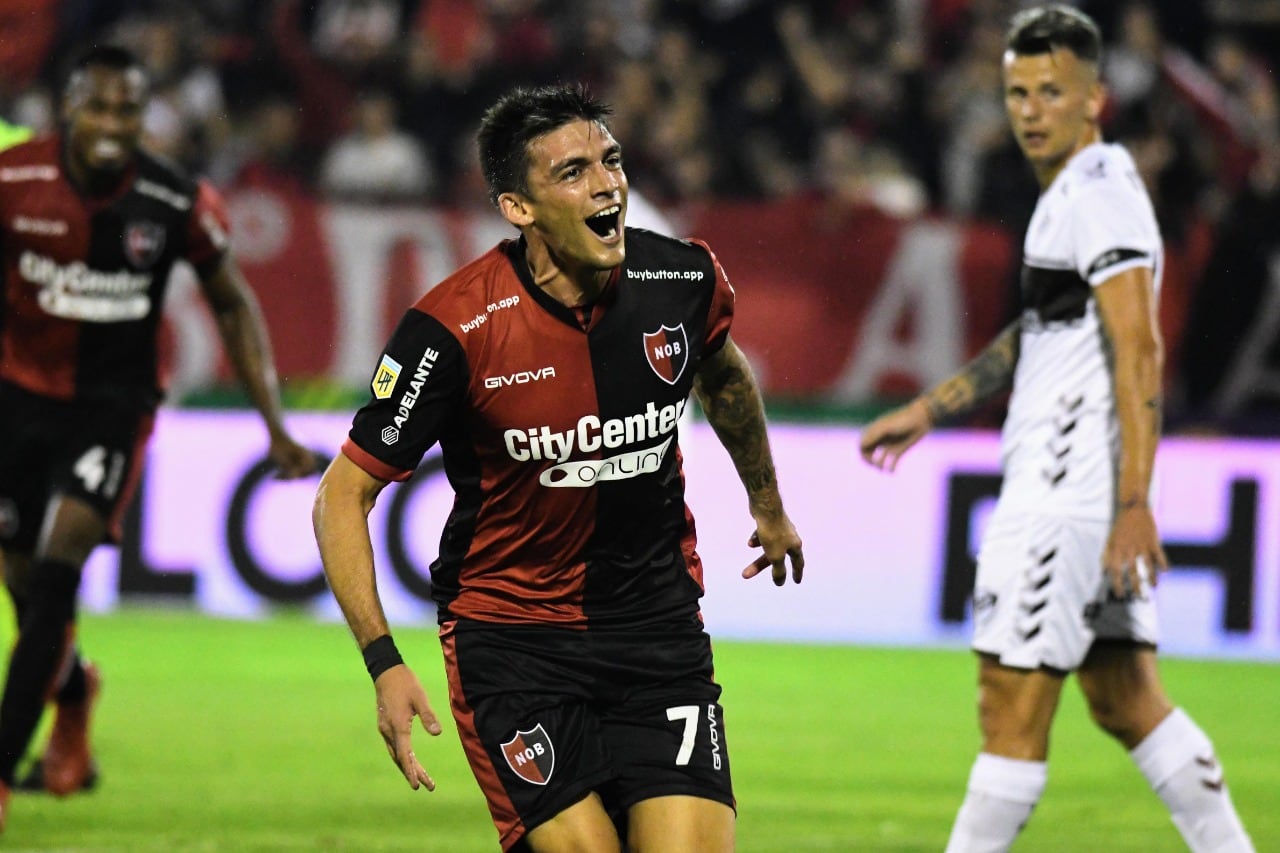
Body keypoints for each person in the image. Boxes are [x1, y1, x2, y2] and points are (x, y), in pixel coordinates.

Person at [313, 83, 804, 852]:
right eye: (573, 172)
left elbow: (727, 378)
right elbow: (343, 495)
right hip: (513, 645)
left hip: (656, 631)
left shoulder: (682, 280)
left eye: (610, 161)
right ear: (519, 207)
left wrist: (767, 505)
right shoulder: (453, 328)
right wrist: (383, 661)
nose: (607, 183)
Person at [858, 7, 1254, 852]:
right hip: (1083, 496)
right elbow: (1040, 329)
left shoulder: (1102, 193)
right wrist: (933, 408)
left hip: (1066, 493)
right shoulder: (1066, 198)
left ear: (1095, 99)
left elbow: (1139, 346)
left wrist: (1136, 501)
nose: (1031, 108)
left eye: (1052, 91)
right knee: (1124, 698)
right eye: (1017, 92)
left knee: (1008, 707)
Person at [0, 46, 317, 829]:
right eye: (100, 108)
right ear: (70, 106)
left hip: (112, 407)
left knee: (57, 573)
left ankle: (1, 776)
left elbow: (234, 305)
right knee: (23, 586)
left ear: (145, 117)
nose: (113, 126)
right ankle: (74, 696)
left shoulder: (173, 199)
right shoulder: (13, 182)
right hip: (14, 400)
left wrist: (275, 423)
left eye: (128, 112)